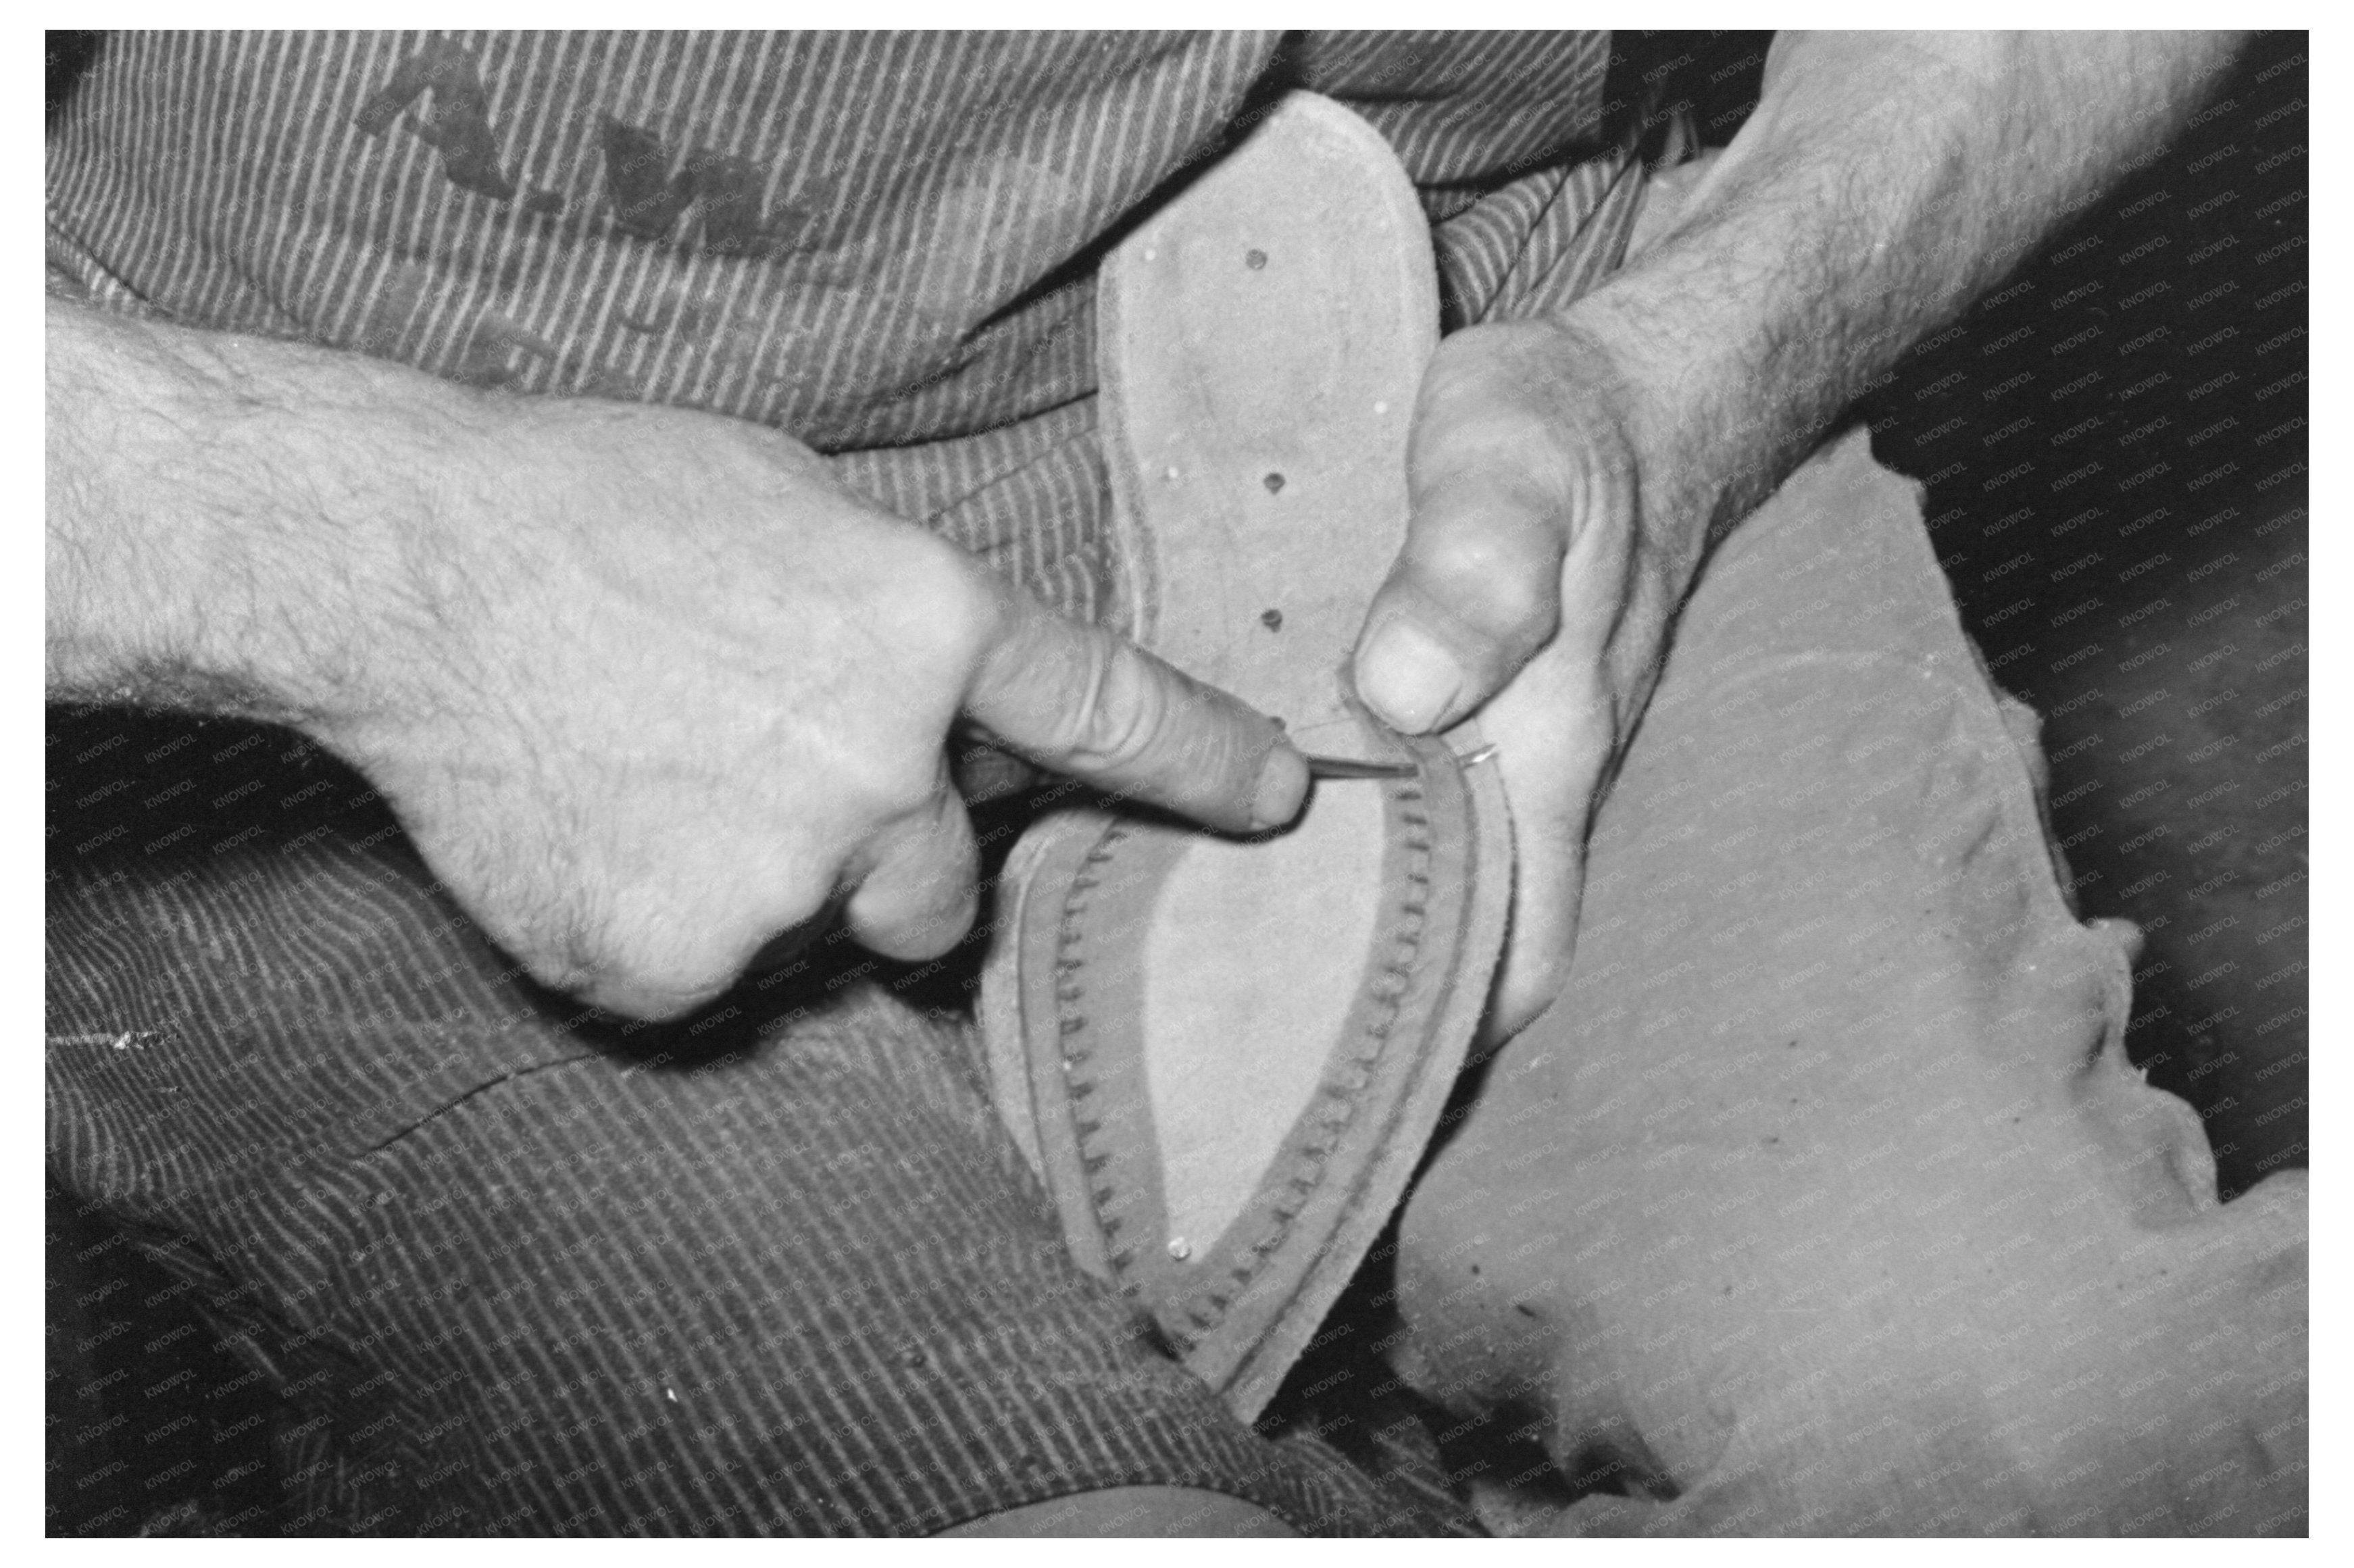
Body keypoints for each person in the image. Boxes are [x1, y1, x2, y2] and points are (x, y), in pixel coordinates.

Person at [47, 30, 2300, 1536]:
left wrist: (1689, 375)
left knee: (2050, 1424)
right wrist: (397, 572)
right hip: (317, 573)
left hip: (1483, 374)